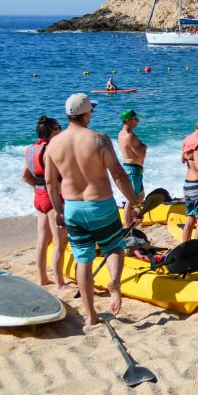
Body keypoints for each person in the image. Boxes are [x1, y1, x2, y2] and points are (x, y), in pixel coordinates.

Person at [44, 94, 138, 326]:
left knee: (83, 259)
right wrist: (132, 200)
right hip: (101, 204)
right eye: (91, 111)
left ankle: (91, 315)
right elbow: (117, 173)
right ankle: (114, 281)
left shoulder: (53, 144)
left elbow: (50, 183)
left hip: (73, 207)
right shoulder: (99, 139)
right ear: (86, 114)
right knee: (115, 246)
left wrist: (57, 210)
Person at [22, 116, 68, 289]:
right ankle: (59, 283)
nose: (61, 130)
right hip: (52, 197)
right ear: (52, 132)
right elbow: (54, 180)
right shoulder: (51, 150)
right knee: (59, 243)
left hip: (38, 196)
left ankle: (42, 278)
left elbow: (25, 176)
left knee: (42, 240)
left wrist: (39, 187)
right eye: (59, 127)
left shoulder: (31, 149)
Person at [117, 109, 146, 227]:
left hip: (132, 168)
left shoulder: (121, 134)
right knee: (131, 199)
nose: (137, 120)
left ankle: (133, 216)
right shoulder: (129, 136)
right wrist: (144, 146)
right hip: (133, 169)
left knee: (140, 196)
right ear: (127, 121)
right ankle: (128, 227)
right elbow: (142, 154)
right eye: (135, 118)